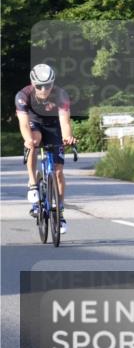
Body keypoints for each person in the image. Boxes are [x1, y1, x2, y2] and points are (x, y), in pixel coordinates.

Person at [15, 64, 76, 234]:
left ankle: (60, 211)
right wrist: (28, 140)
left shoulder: (61, 95)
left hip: (54, 125)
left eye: (48, 85)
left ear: (53, 83)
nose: (43, 89)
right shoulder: (23, 95)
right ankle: (33, 184)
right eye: (39, 86)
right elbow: (23, 123)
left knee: (58, 172)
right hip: (34, 123)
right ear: (32, 84)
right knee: (34, 141)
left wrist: (67, 137)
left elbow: (65, 122)